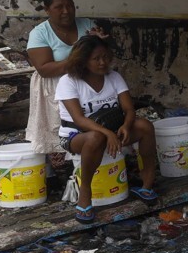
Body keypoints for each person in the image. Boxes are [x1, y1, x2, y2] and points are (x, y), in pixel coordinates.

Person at [56, 35, 158, 223]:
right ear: (83, 60)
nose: (102, 62)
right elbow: (78, 119)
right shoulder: (68, 81)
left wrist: (126, 126)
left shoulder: (114, 77)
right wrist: (107, 133)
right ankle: (85, 192)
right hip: (75, 136)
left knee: (145, 126)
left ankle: (147, 184)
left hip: (112, 130)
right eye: (96, 59)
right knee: (95, 137)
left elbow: (128, 109)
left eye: (105, 57)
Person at [25, 0, 102, 160]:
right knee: (58, 130)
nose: (66, 11)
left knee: (90, 123)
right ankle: (53, 169)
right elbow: (44, 69)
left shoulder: (87, 24)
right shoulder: (39, 33)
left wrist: (101, 41)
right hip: (55, 85)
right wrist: (81, 58)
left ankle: (88, 159)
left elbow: (100, 54)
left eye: (70, 6)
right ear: (47, 10)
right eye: (59, 7)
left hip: (86, 82)